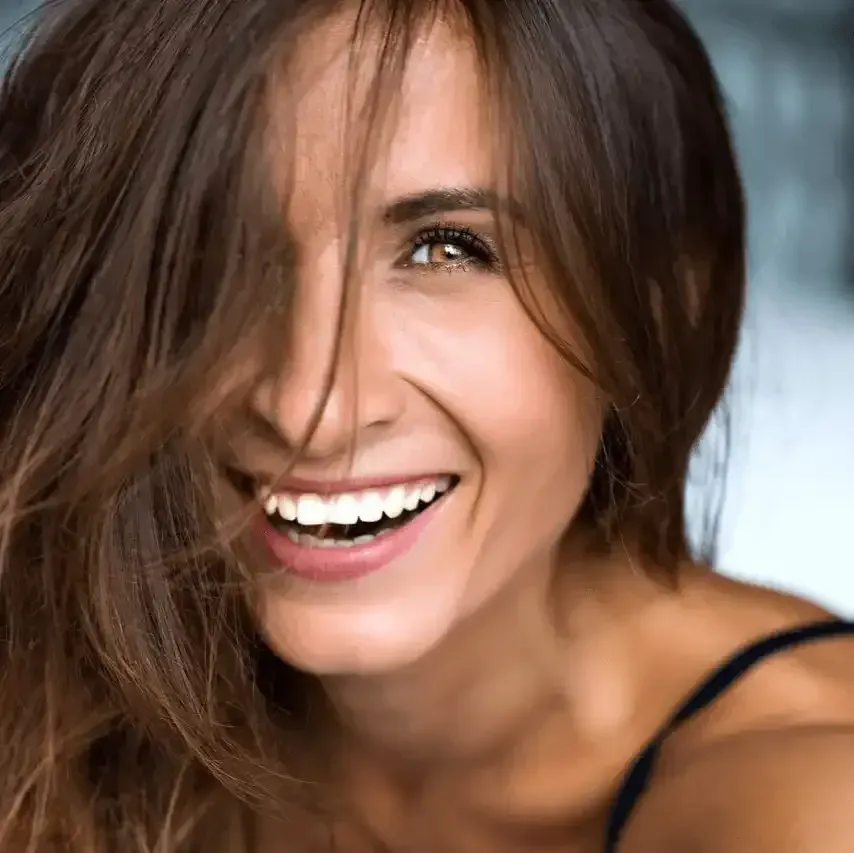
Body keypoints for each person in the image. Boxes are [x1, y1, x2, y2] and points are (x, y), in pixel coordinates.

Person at [0, 0, 852, 851]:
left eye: (446, 249)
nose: (311, 408)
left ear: (659, 311)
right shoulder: (72, 709)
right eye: (213, 252)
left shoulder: (807, 807)